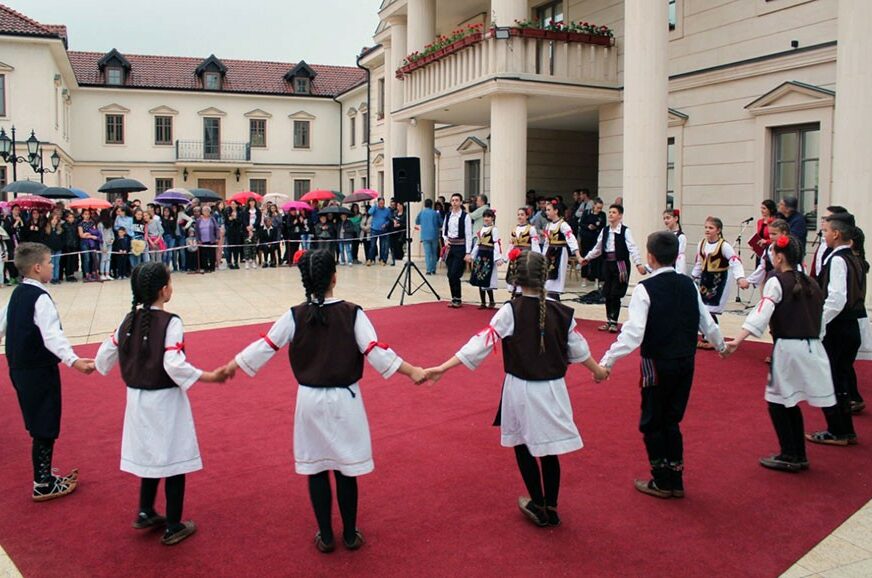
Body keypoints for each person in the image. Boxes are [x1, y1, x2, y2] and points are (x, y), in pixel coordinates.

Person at [223, 249, 426, 553]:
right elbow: (375, 351)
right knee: (346, 468)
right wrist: (413, 371)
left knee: (317, 468)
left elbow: (265, 346)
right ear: (335, 276)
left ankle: (326, 535)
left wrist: (232, 365)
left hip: (309, 401)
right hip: (346, 401)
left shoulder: (294, 315)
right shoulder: (353, 313)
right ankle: (350, 533)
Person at [425, 251, 608, 526]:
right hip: (553, 389)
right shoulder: (562, 312)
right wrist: (599, 372)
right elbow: (580, 350)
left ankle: (538, 502)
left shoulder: (511, 310)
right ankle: (552, 506)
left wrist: (443, 367)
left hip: (521, 389)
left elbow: (480, 343)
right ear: (545, 277)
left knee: (523, 446)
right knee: (549, 450)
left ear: (515, 277)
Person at [95, 262, 229, 545]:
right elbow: (173, 363)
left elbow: (103, 357)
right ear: (163, 290)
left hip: (136, 400)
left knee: (150, 454)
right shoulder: (172, 322)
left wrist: (92, 365)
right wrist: (207, 376)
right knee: (174, 458)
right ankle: (173, 524)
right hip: (165, 400)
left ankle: (145, 510)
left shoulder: (127, 320)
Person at [600, 232, 725, 498]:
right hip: (685, 360)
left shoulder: (646, 289)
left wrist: (608, 360)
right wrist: (722, 346)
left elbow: (634, 333)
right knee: (672, 419)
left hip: (656, 361)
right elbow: (706, 321)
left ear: (650, 257)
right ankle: (675, 477)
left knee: (652, 420)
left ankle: (661, 478)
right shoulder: (688, 285)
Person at [724, 236, 834, 472]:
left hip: (788, 347)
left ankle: (790, 453)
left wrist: (738, 340)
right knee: (789, 400)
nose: (771, 258)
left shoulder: (777, 282)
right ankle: (797, 452)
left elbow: (761, 312)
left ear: (780, 257)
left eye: (773, 253)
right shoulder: (811, 283)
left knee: (778, 402)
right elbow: (821, 318)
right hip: (811, 345)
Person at [0, 243, 96, 501]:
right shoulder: (40, 298)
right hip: (38, 369)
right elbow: (53, 336)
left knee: (38, 420)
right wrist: (73, 361)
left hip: (19, 368)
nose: (53, 266)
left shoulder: (18, 294)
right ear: (37, 267)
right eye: (50, 262)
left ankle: (44, 475)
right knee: (45, 421)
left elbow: (2, 324)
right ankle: (42, 482)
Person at [808, 214, 864, 446]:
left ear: (837, 234)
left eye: (826, 231)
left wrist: (820, 324)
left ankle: (838, 430)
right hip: (850, 326)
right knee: (839, 376)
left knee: (831, 378)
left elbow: (837, 297)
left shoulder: (839, 260)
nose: (824, 235)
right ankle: (845, 430)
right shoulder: (855, 258)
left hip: (839, 327)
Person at [581, 204, 645, 330]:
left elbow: (633, 247)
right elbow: (598, 248)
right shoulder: (605, 231)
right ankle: (609, 320)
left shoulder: (625, 231)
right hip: (607, 263)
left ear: (620, 216)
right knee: (607, 292)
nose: (610, 214)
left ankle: (614, 321)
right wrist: (587, 258)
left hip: (620, 264)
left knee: (616, 292)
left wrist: (638, 263)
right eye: (609, 212)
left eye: (614, 212)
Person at [691, 216, 750, 344]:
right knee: (702, 308)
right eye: (706, 227)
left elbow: (735, 261)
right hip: (706, 280)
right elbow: (699, 263)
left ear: (718, 230)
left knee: (709, 310)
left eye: (711, 228)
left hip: (719, 280)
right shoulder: (701, 244)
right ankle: (708, 335)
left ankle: (712, 337)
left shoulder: (724, 246)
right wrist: (692, 277)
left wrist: (740, 277)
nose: (707, 230)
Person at [541, 200, 584, 302]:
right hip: (550, 252)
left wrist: (578, 255)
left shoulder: (563, 225)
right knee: (548, 279)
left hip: (560, 253)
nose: (546, 212)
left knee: (556, 279)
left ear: (556, 211)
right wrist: (542, 256)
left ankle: (555, 302)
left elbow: (571, 239)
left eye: (548, 210)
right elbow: (547, 243)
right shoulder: (548, 225)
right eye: (546, 210)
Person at [442, 193, 473, 308]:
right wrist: (446, 241)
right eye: (453, 200)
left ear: (460, 202)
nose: (454, 202)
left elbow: (468, 234)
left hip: (460, 247)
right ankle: (454, 297)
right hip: (450, 247)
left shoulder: (465, 216)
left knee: (455, 273)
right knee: (450, 273)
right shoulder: (448, 215)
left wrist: (468, 252)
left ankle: (458, 297)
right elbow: (444, 231)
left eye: (457, 200)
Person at [469, 209, 503, 309]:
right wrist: (472, 255)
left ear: (492, 218)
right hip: (480, 254)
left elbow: (496, 243)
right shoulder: (481, 230)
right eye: (485, 217)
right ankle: (483, 302)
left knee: (486, 278)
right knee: (479, 278)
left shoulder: (494, 229)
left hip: (488, 255)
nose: (486, 219)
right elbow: (477, 244)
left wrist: (497, 258)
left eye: (488, 217)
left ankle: (491, 301)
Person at [506, 207, 542, 297]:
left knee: (523, 275)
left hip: (525, 255)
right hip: (515, 256)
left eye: (522, 215)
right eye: (518, 215)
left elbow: (535, 244)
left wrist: (537, 257)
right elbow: (511, 244)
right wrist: (506, 257)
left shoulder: (531, 229)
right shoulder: (514, 229)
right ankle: (516, 296)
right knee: (515, 274)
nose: (520, 217)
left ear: (527, 216)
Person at [747, 219, 790, 287]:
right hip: (773, 281)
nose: (771, 237)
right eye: (769, 234)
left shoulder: (792, 248)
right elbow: (762, 267)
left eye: (774, 234)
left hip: (788, 281)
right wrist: (749, 281)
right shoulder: (769, 249)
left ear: (784, 233)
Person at [579, 198, 606, 286]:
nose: (599, 210)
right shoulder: (586, 213)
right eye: (598, 207)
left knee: (596, 259)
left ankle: (596, 278)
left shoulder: (602, 215)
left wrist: (596, 227)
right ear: (594, 205)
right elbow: (581, 223)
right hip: (586, 238)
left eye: (600, 208)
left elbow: (603, 225)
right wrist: (588, 226)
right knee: (585, 257)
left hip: (596, 239)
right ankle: (584, 278)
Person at [415, 199, 442, 275]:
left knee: (427, 253)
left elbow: (417, 221)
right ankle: (433, 269)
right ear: (432, 205)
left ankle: (428, 270)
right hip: (434, 235)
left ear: (424, 204)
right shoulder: (436, 213)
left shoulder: (421, 213)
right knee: (434, 253)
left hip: (425, 235)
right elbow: (441, 223)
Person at [367, 198, 392, 265]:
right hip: (374, 229)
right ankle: (370, 259)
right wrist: (374, 205)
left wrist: (386, 224)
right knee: (372, 245)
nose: (382, 205)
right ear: (378, 203)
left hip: (383, 230)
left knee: (382, 246)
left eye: (383, 203)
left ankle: (382, 259)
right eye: (380, 203)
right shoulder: (375, 209)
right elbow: (369, 212)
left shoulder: (387, 210)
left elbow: (389, 220)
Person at [662, 209, 687, 275]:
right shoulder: (664, 235)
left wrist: (679, 274)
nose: (665, 220)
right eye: (664, 218)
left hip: (674, 269)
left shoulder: (681, 237)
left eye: (668, 218)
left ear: (676, 218)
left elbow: (680, 257)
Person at [754, 200, 778, 265]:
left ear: (770, 210)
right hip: (760, 251)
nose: (762, 210)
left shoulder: (775, 222)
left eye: (764, 208)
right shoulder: (760, 222)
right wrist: (754, 245)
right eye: (761, 208)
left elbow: (777, 238)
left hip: (770, 250)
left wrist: (766, 241)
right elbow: (759, 236)